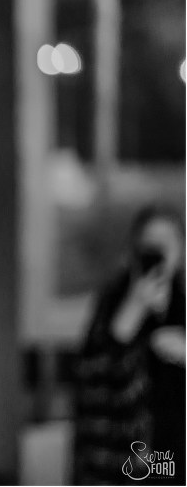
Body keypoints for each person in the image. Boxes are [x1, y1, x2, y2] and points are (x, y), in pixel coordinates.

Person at [73, 205, 185, 485]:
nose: (158, 251)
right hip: (116, 462)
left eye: (167, 243)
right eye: (150, 244)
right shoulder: (113, 300)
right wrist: (135, 304)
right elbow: (94, 372)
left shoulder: (182, 303)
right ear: (134, 250)